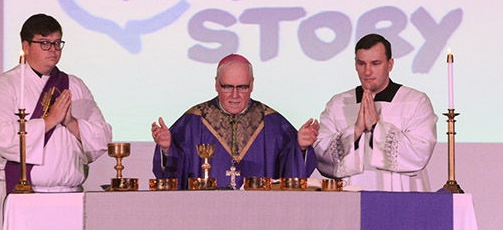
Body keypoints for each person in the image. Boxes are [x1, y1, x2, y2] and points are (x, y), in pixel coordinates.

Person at [0, 14, 112, 230]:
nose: (53, 49)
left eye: (57, 43)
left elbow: (102, 138)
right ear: (26, 45)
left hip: (71, 197)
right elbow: (2, 138)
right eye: (44, 43)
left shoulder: (75, 85)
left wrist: (71, 122)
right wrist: (49, 121)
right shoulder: (4, 86)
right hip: (22, 197)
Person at [152, 54, 318, 189]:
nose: (235, 95)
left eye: (242, 87)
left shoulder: (273, 123)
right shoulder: (193, 122)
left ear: (252, 84)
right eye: (227, 87)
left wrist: (300, 147)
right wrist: (167, 150)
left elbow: (292, 177)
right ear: (216, 84)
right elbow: (171, 179)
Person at [313, 33, 437, 192]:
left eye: (376, 63)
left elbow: (419, 153)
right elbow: (321, 156)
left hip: (402, 198)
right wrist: (356, 131)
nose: (367, 71)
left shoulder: (415, 101)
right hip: (350, 199)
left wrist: (376, 128)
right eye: (361, 63)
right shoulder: (338, 104)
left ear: (390, 64)